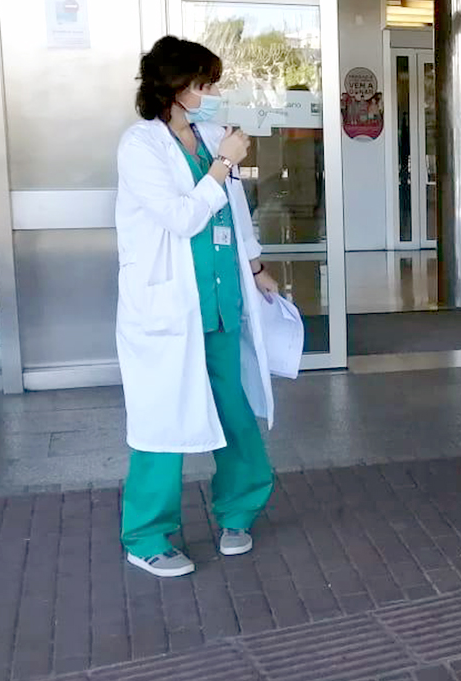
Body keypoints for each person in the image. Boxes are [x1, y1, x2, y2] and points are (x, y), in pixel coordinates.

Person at [115, 36, 281, 577]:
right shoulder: (140, 146)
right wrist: (221, 167)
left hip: (220, 299)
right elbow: (182, 217)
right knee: (163, 420)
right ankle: (146, 535)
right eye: (202, 83)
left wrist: (255, 269)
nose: (210, 93)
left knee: (233, 411)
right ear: (174, 86)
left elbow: (234, 213)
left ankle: (239, 511)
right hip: (169, 306)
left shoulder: (209, 136)